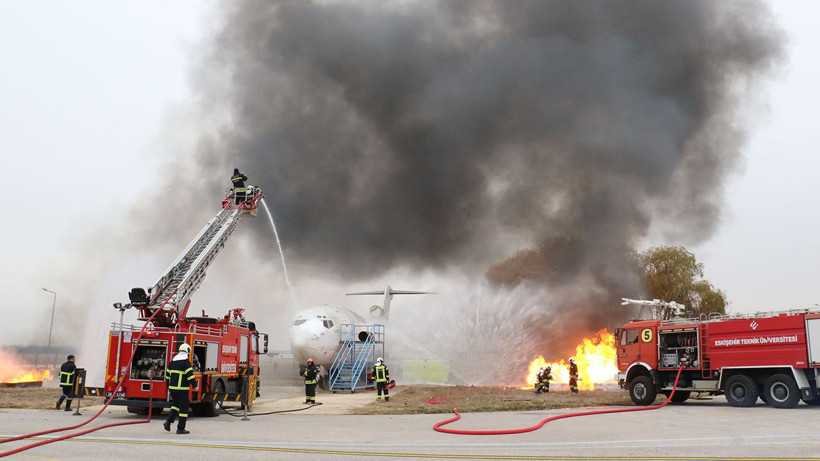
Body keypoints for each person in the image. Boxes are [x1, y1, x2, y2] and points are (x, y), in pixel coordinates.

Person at [164, 343, 198, 435]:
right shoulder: (186, 362)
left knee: (176, 405)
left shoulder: (172, 362)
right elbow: (190, 376)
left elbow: (167, 376)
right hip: (182, 389)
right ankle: (180, 428)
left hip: (172, 388)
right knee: (184, 408)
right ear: (187, 351)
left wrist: (168, 387)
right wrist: (195, 385)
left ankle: (168, 422)